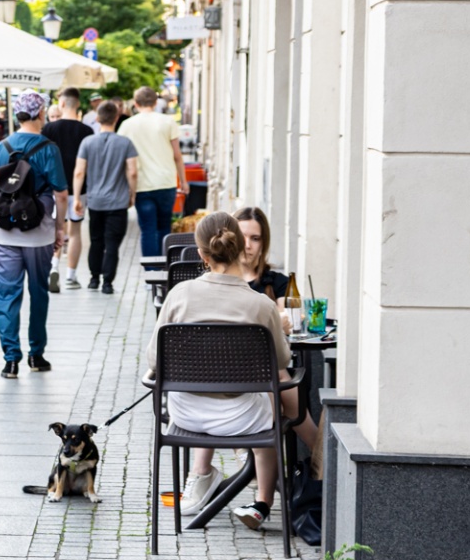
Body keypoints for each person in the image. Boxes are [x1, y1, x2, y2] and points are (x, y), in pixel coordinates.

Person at [146, 212, 319, 532]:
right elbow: (282, 360)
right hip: (243, 418)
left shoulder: (178, 295)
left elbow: (154, 361)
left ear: (201, 254)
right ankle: (277, 491)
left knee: (267, 392)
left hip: (185, 415)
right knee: (275, 389)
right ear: (239, 248)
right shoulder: (261, 305)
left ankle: (204, 475)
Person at [0, 90, 69, 379]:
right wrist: (59, 228)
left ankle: (10, 360)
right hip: (40, 236)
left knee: (5, 295)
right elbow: (61, 195)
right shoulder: (49, 148)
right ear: (41, 113)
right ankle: (37, 355)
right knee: (39, 292)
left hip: (4, 236)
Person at [73, 99, 138, 294]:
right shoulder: (125, 143)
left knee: (96, 241)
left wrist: (77, 198)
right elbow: (132, 172)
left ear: (97, 118)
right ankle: (107, 283)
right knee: (112, 244)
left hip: (95, 202)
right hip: (118, 202)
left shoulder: (87, 142)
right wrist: (132, 194)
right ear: (117, 118)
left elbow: (79, 172)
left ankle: (94, 278)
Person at [117, 86, 186, 258]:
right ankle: (166, 266)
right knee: (164, 227)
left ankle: (150, 270)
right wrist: (183, 181)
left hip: (142, 185)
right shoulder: (168, 122)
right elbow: (177, 155)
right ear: (156, 102)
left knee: (148, 229)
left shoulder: (127, 125)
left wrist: (126, 187)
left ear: (136, 103)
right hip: (166, 182)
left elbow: (122, 158)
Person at [43, 88, 95, 290]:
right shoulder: (87, 131)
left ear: (62, 104)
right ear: (78, 104)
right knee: (75, 232)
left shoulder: (49, 129)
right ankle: (71, 277)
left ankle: (53, 267)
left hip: (54, 189)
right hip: (79, 190)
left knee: (54, 230)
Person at [233, 206, 290, 301]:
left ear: (263, 243)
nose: (247, 245)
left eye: (255, 239)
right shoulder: (218, 282)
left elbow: (287, 311)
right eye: (241, 237)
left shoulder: (281, 283)